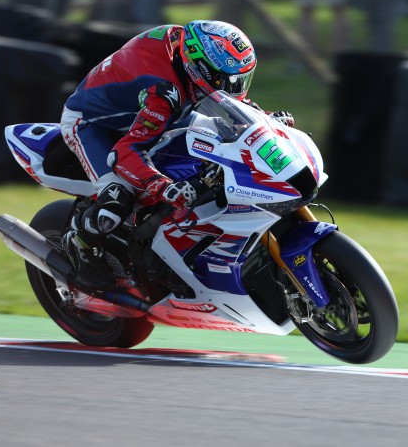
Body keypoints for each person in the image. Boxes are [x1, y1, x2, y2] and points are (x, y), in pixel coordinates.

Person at [60, 20, 293, 291]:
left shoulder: (186, 52)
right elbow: (126, 152)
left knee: (223, 140)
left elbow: (230, 108)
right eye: (226, 81)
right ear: (200, 68)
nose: (235, 88)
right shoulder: (163, 91)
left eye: (241, 80)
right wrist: (162, 186)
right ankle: (79, 243)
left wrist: (263, 120)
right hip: (92, 125)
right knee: (117, 197)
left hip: (156, 112)